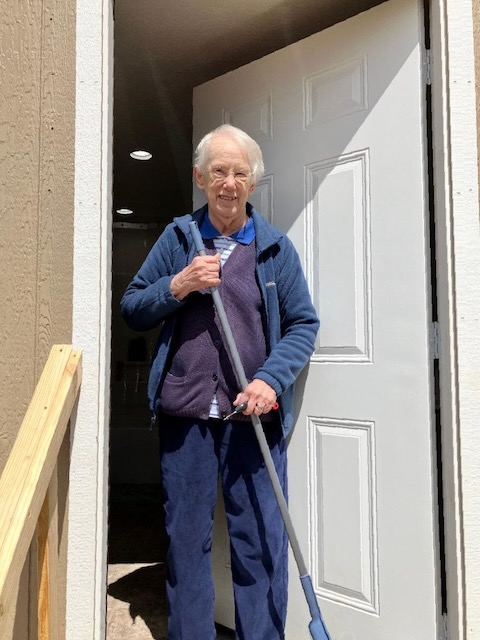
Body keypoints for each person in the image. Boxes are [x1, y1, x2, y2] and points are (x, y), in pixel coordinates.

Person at [120, 124, 319, 640]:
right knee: (186, 545)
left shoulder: (275, 249)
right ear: (200, 178)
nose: (228, 183)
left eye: (239, 173)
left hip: (252, 418)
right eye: (217, 172)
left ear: (253, 183)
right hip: (186, 417)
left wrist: (271, 380)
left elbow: (303, 324)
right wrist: (179, 283)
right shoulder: (179, 238)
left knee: (259, 543)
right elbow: (134, 308)